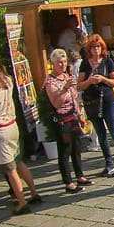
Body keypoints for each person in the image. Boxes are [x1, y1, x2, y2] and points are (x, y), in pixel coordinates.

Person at [0, 52, 39, 213]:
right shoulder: (7, 81)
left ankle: (21, 201)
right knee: (19, 161)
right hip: (12, 125)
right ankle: (33, 192)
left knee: (10, 169)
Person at [77, 34, 114, 178]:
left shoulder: (107, 61)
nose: (96, 49)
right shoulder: (85, 63)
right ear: (89, 49)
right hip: (91, 102)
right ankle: (109, 163)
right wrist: (89, 81)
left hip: (107, 101)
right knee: (101, 134)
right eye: (93, 47)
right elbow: (78, 85)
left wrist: (103, 79)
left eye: (99, 46)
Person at [43, 49, 90, 194]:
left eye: (64, 62)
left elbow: (74, 96)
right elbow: (56, 103)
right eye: (59, 62)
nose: (63, 65)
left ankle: (79, 175)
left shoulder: (66, 76)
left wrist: (79, 114)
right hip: (61, 119)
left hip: (73, 115)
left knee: (76, 147)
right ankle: (68, 182)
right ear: (53, 64)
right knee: (65, 150)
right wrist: (64, 88)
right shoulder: (50, 81)